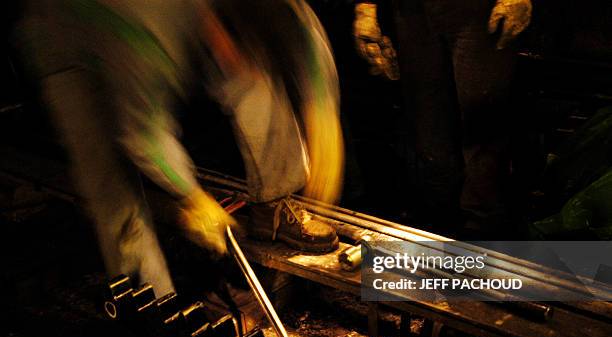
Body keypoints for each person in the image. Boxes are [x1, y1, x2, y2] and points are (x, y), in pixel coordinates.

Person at [19, 0, 344, 297]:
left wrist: (321, 108)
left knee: (251, 79)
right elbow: (143, 134)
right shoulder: (152, 32)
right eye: (233, 49)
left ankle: (272, 206)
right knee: (113, 190)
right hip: (71, 42)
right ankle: (157, 316)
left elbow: (300, 30)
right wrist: (190, 195)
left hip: (170, 31)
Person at [353, 0, 532, 236]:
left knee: (482, 127)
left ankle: (482, 234)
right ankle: (442, 229)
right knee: (429, 134)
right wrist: (366, 8)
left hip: (478, 11)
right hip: (413, 11)